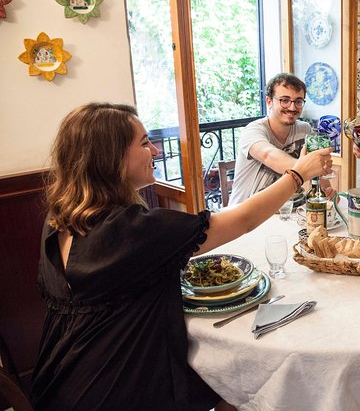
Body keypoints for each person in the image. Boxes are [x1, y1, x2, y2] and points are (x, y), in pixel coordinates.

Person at [30, 103, 332, 411]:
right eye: (144, 142)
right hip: (118, 390)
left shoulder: (60, 220)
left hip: (58, 381)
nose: (156, 151)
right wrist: (297, 174)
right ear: (112, 157)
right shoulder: (133, 232)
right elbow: (241, 221)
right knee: (249, 382)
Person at [229, 73, 333, 205]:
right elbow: (268, 155)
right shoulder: (253, 130)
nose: (292, 107)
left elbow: (316, 174)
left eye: (298, 101)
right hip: (244, 217)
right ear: (269, 101)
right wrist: (308, 168)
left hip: (285, 212)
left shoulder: (304, 130)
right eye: (284, 100)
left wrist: (325, 190)